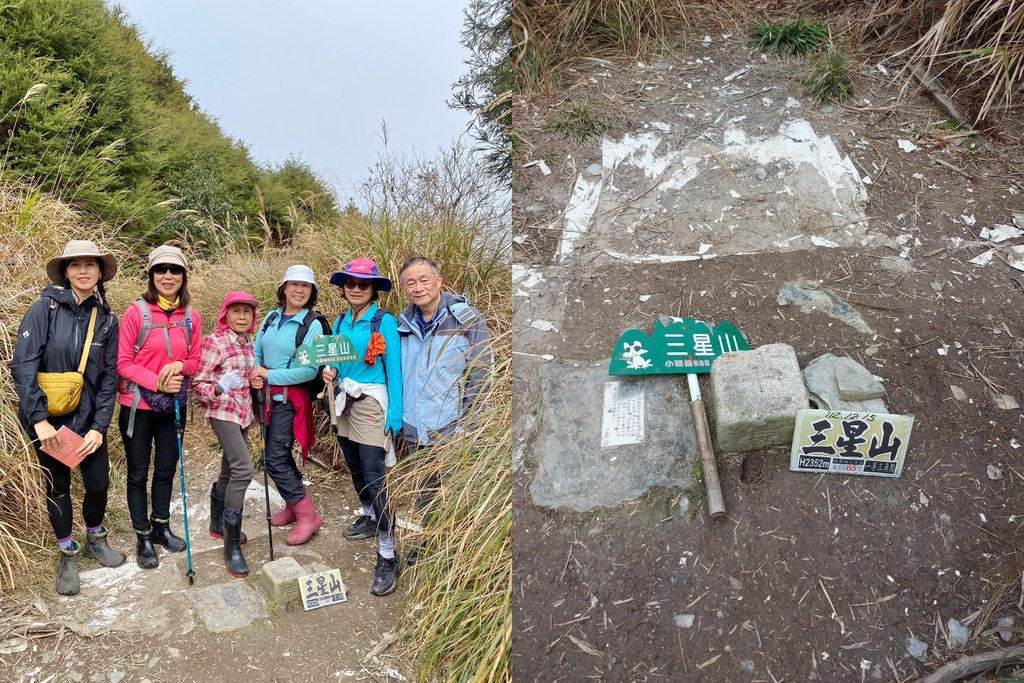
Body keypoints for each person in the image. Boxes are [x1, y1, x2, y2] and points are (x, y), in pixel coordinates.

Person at [10, 240, 126, 595]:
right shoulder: (43, 309)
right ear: (66, 271)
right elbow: (24, 366)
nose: (83, 271)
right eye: (75, 264)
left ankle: (94, 538)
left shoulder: (107, 319)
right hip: (49, 420)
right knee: (58, 486)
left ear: (99, 272)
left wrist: (98, 427)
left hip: (88, 418)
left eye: (90, 264)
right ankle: (67, 553)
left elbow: (109, 378)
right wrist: (39, 420)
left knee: (97, 484)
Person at [396, 256, 492, 566]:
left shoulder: (467, 320)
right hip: (415, 426)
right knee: (425, 491)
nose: (418, 287)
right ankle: (428, 544)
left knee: (454, 493)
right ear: (403, 288)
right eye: (411, 282)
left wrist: (467, 426)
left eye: (424, 280)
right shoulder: (402, 324)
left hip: (451, 427)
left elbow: (481, 376)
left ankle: (455, 555)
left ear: (439, 280)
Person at [117, 245, 203, 569]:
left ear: (183, 276)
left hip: (172, 409)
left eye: (175, 270)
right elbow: (123, 363)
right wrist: (157, 382)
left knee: (166, 468)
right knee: (138, 472)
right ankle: (142, 535)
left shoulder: (192, 317)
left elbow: (196, 360)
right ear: (152, 275)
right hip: (137, 407)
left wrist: (181, 365)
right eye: (161, 269)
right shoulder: (135, 313)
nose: (168, 276)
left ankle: (161, 526)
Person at [321, 258, 403, 596]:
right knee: (353, 464)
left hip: (372, 404)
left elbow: (394, 371)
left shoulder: (384, 322)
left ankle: (388, 552)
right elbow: (338, 363)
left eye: (363, 284)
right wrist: (331, 372)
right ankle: (370, 516)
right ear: (344, 288)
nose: (356, 289)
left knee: (373, 472)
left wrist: (394, 416)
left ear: (373, 289)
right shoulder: (341, 321)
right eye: (350, 283)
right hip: (345, 399)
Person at [250, 265, 326, 546]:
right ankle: (294, 507)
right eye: (293, 284)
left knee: (275, 458)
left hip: (288, 403)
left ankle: (308, 514)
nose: (299, 290)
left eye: (305, 286)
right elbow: (256, 350)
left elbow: (308, 371)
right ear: (283, 288)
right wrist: (255, 372)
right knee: (276, 455)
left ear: (312, 292)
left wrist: (268, 375)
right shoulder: (271, 317)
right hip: (265, 400)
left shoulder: (313, 324)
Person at [192, 291, 260, 578]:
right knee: (244, 470)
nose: (242, 316)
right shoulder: (215, 341)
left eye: (247, 312)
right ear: (226, 315)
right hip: (222, 411)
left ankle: (217, 524)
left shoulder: (249, 342)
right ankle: (232, 546)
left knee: (230, 469)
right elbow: (198, 384)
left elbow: (250, 379)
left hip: (243, 412)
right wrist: (219, 387)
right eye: (236, 311)